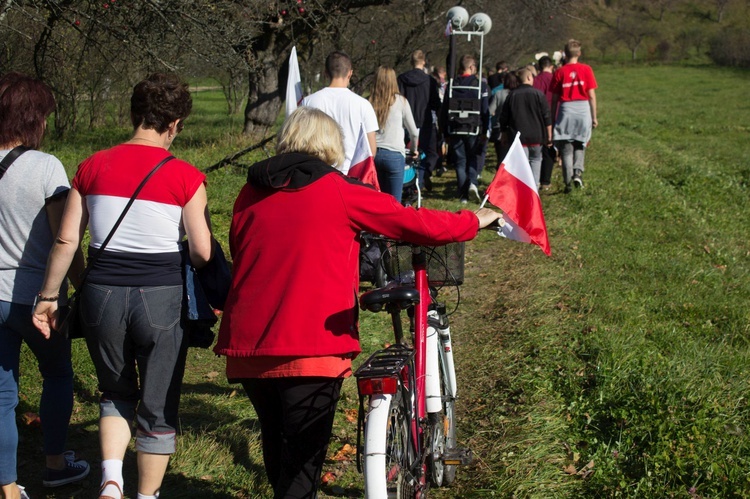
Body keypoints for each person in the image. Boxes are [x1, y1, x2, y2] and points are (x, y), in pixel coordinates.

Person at [213, 106, 501, 499]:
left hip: (249, 344)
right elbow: (414, 224)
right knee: (301, 465)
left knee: (278, 444)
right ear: (331, 146)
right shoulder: (340, 190)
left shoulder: (250, 192)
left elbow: (241, 251)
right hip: (311, 345)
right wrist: (472, 220)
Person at [33, 73, 214, 499]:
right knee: (158, 400)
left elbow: (66, 239)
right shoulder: (186, 176)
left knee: (114, 390)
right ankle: (145, 496)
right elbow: (202, 252)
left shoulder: (92, 166)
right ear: (174, 124)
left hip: (101, 295)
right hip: (161, 297)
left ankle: (111, 480)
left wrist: (48, 297)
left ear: (134, 114)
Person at [0, 73, 90, 499]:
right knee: (57, 375)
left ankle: (8, 487)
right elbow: (64, 238)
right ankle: (55, 465)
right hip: (38, 298)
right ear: (33, 117)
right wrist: (80, 282)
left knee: (1, 394)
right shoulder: (46, 166)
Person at [302, 51, 379, 174]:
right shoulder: (363, 105)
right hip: (351, 172)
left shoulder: (308, 102)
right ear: (350, 73)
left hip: (318, 171)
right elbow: (371, 149)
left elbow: (302, 141)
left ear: (325, 73)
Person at [440, 54, 489, 204]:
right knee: (472, 157)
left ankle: (463, 195)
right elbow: (485, 109)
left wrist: (444, 132)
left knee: (460, 161)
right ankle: (473, 183)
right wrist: (485, 130)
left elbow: (444, 109)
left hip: (455, 127)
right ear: (472, 67)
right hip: (473, 127)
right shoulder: (479, 85)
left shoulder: (452, 85)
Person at [551, 39, 598, 191]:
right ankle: (577, 173)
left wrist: (553, 117)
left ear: (565, 54)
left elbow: (554, 99)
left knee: (566, 148)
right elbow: (591, 95)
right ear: (579, 53)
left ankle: (567, 182)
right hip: (583, 109)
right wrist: (594, 116)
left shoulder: (560, 72)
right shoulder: (586, 69)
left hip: (566, 110)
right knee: (580, 144)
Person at [369, 66, 419, 202]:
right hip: (394, 155)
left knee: (377, 200)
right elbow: (414, 132)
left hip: (373, 155)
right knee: (394, 202)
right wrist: (414, 150)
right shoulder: (401, 101)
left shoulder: (369, 102)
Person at [499, 68, 552, 187]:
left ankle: (522, 190)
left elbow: (504, 117)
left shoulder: (512, 95)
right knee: (536, 161)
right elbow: (546, 116)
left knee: (521, 166)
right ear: (528, 77)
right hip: (537, 136)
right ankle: (534, 189)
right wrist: (549, 135)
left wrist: (504, 133)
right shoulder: (539, 94)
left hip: (518, 138)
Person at [397, 50, 442, 190]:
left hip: (404, 122)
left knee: (406, 153)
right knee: (427, 153)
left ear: (411, 62)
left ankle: (407, 180)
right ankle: (421, 178)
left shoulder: (401, 79)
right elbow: (436, 104)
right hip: (425, 122)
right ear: (424, 62)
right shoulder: (430, 81)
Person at [533, 55, 556, 190]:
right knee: (549, 148)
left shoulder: (535, 80)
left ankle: (534, 178)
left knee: (536, 149)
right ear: (551, 66)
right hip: (551, 117)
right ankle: (545, 180)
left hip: (536, 118)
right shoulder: (554, 80)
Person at [489, 71, 519, 166]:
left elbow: (490, 111)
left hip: (500, 129)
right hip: (516, 129)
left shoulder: (499, 94)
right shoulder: (518, 94)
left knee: (502, 159)